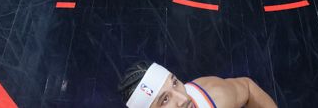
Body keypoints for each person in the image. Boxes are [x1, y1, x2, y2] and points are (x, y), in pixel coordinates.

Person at [119, 62, 277, 108]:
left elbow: (248, 88)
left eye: (174, 83)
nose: (183, 98)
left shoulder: (214, 96)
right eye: (165, 100)